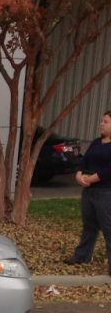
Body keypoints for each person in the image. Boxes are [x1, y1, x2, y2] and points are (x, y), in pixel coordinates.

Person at [65, 110, 111, 275]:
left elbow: (108, 170)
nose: (101, 124)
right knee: (89, 226)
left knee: (108, 228)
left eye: (105, 121)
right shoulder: (96, 142)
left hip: (106, 193)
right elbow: (84, 161)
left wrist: (91, 179)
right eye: (101, 121)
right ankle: (82, 256)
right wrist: (78, 175)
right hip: (89, 192)